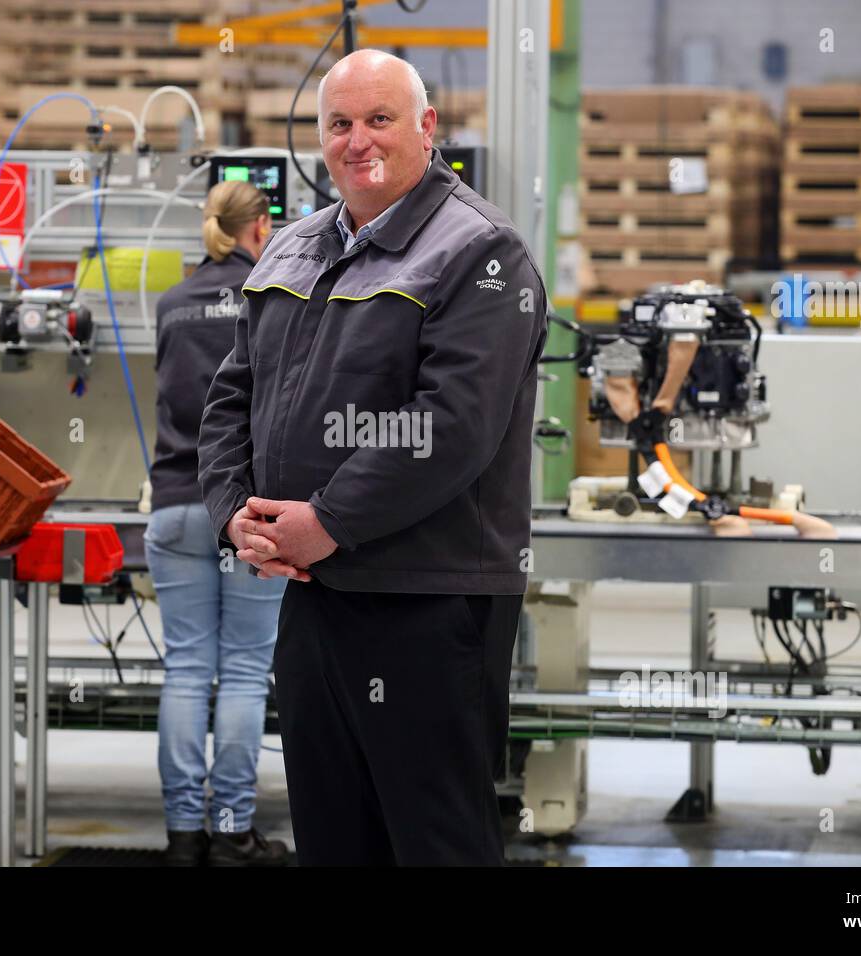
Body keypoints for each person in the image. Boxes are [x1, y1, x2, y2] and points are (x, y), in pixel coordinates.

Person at [198, 49, 548, 865]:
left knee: (434, 841)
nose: (359, 141)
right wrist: (233, 517)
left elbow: (450, 426)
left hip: (428, 597)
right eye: (340, 124)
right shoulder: (292, 248)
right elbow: (229, 400)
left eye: (380, 119)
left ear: (427, 127)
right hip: (316, 596)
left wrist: (330, 519)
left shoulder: (481, 254)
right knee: (332, 835)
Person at [144, 179, 289, 866]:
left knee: (185, 670)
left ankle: (180, 837)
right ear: (259, 227)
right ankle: (232, 832)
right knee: (242, 671)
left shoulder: (171, 303)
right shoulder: (272, 298)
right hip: (249, 511)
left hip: (174, 502)